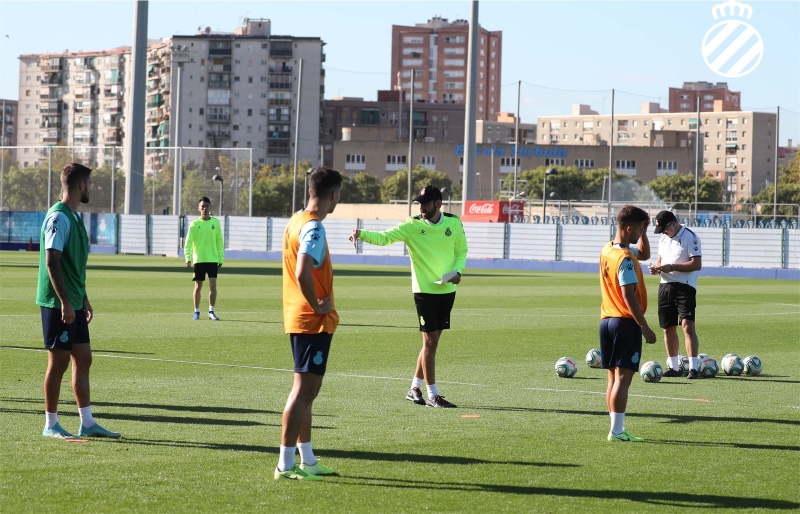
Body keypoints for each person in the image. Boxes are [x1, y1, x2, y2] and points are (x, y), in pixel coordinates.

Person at [349, 185, 468, 409]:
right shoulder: (411, 225)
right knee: (430, 342)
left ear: (438, 204)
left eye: (425, 203)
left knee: (431, 343)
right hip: (424, 292)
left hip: (447, 290)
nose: (421, 207)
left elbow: (461, 250)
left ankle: (414, 388)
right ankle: (433, 395)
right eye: (419, 203)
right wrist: (361, 233)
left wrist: (458, 272)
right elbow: (384, 238)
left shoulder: (453, 222)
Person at [36, 163, 121, 440]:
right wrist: (65, 302)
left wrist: (83, 299)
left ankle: (87, 422)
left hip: (74, 302)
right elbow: (52, 261)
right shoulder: (58, 217)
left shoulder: (74, 217)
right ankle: (51, 424)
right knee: (58, 362)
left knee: (83, 358)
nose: (90, 189)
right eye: (89, 185)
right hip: (58, 304)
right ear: (81, 185)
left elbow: (73, 266)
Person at [275, 167, 343, 481]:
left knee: (308, 392)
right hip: (310, 320)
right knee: (303, 390)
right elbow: (303, 270)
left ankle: (308, 460)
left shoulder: (296, 219)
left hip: (300, 317)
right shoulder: (313, 227)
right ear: (333, 195)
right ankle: (285, 465)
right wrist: (317, 305)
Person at [599, 205, 657, 442]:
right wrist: (644, 326)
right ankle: (617, 431)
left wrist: (644, 232)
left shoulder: (608, 249)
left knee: (613, 379)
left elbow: (644, 254)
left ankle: (615, 428)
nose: (642, 233)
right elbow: (628, 295)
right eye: (640, 229)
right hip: (625, 322)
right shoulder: (625, 259)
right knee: (623, 380)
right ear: (629, 228)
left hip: (607, 320)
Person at [649, 210, 703, 379]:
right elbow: (660, 259)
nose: (664, 232)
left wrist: (672, 267)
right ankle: (674, 367)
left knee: (687, 326)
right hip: (665, 286)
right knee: (668, 328)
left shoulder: (690, 237)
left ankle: (693, 368)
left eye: (665, 228)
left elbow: (696, 264)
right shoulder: (663, 239)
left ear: (673, 223)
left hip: (685, 287)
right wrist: (656, 267)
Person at [184, 197, 224, 320]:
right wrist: (188, 257)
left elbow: (219, 241)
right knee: (198, 286)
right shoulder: (195, 224)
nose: (205, 208)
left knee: (213, 284)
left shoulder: (215, 223)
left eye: (206, 206)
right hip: (199, 259)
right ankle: (196, 311)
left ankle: (211, 311)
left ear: (210, 207)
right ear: (199, 208)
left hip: (212, 259)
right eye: (202, 206)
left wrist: (220, 258)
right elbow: (188, 242)